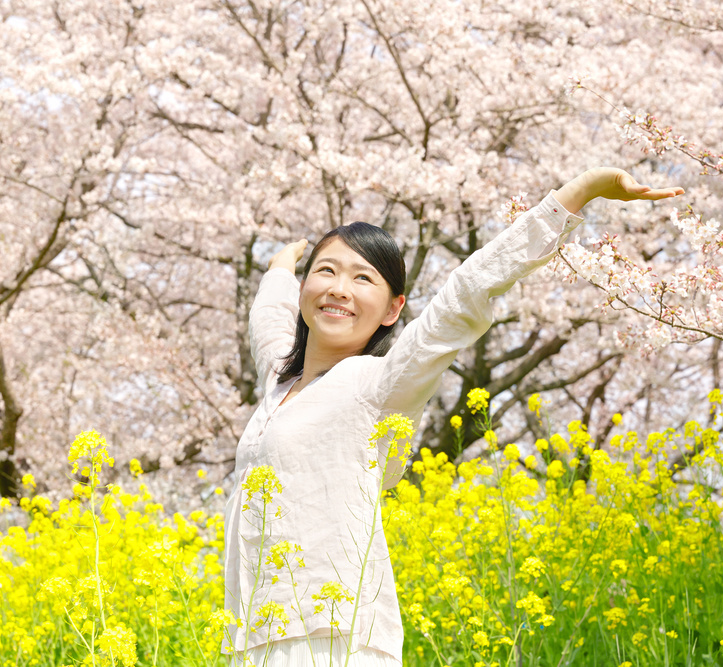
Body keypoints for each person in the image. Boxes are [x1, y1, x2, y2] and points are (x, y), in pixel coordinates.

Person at [222, 167, 684, 666]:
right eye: (326, 271)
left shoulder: (378, 386)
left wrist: (579, 192)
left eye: (363, 278)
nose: (339, 288)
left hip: (332, 638)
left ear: (392, 309)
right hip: (251, 639)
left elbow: (462, 296)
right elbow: (267, 320)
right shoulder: (279, 383)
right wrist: (278, 267)